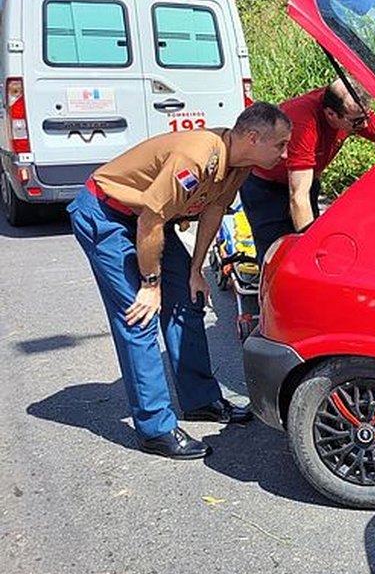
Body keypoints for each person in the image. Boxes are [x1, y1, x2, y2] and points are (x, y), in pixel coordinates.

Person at [68, 103, 293, 459]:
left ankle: (201, 400)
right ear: (253, 137)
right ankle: (155, 428)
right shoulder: (195, 158)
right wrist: (151, 284)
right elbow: (149, 220)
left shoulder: (238, 165)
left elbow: (214, 210)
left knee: (189, 301)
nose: (284, 154)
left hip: (151, 220)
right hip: (109, 216)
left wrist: (195, 271)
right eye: (280, 145)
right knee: (139, 317)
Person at [241, 80, 375, 262]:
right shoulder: (303, 123)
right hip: (266, 185)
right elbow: (298, 197)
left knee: (312, 236)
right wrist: (310, 256)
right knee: (276, 256)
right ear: (330, 113)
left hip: (306, 180)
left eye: (366, 117)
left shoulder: (355, 111)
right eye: (357, 122)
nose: (363, 125)